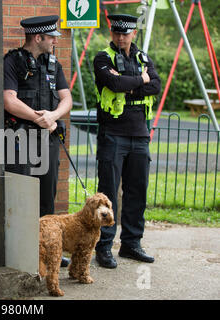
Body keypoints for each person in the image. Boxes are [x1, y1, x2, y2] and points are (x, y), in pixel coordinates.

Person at [93, 14, 161, 268]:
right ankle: (104, 247)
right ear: (112, 33)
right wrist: (139, 80)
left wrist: (130, 85)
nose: (120, 38)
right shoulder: (102, 58)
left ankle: (132, 244)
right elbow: (112, 82)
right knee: (108, 194)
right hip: (113, 134)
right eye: (116, 33)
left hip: (140, 135)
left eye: (125, 33)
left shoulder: (144, 58)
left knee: (137, 191)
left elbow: (155, 85)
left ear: (133, 33)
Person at [3, 15, 72, 266]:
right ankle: (20, 252)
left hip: (48, 140)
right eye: (52, 36)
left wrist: (53, 116)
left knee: (46, 195)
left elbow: (67, 99)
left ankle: (47, 252)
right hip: (20, 140)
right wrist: (37, 118)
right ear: (38, 37)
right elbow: (8, 100)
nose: (55, 40)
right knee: (20, 195)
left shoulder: (54, 64)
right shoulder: (12, 62)